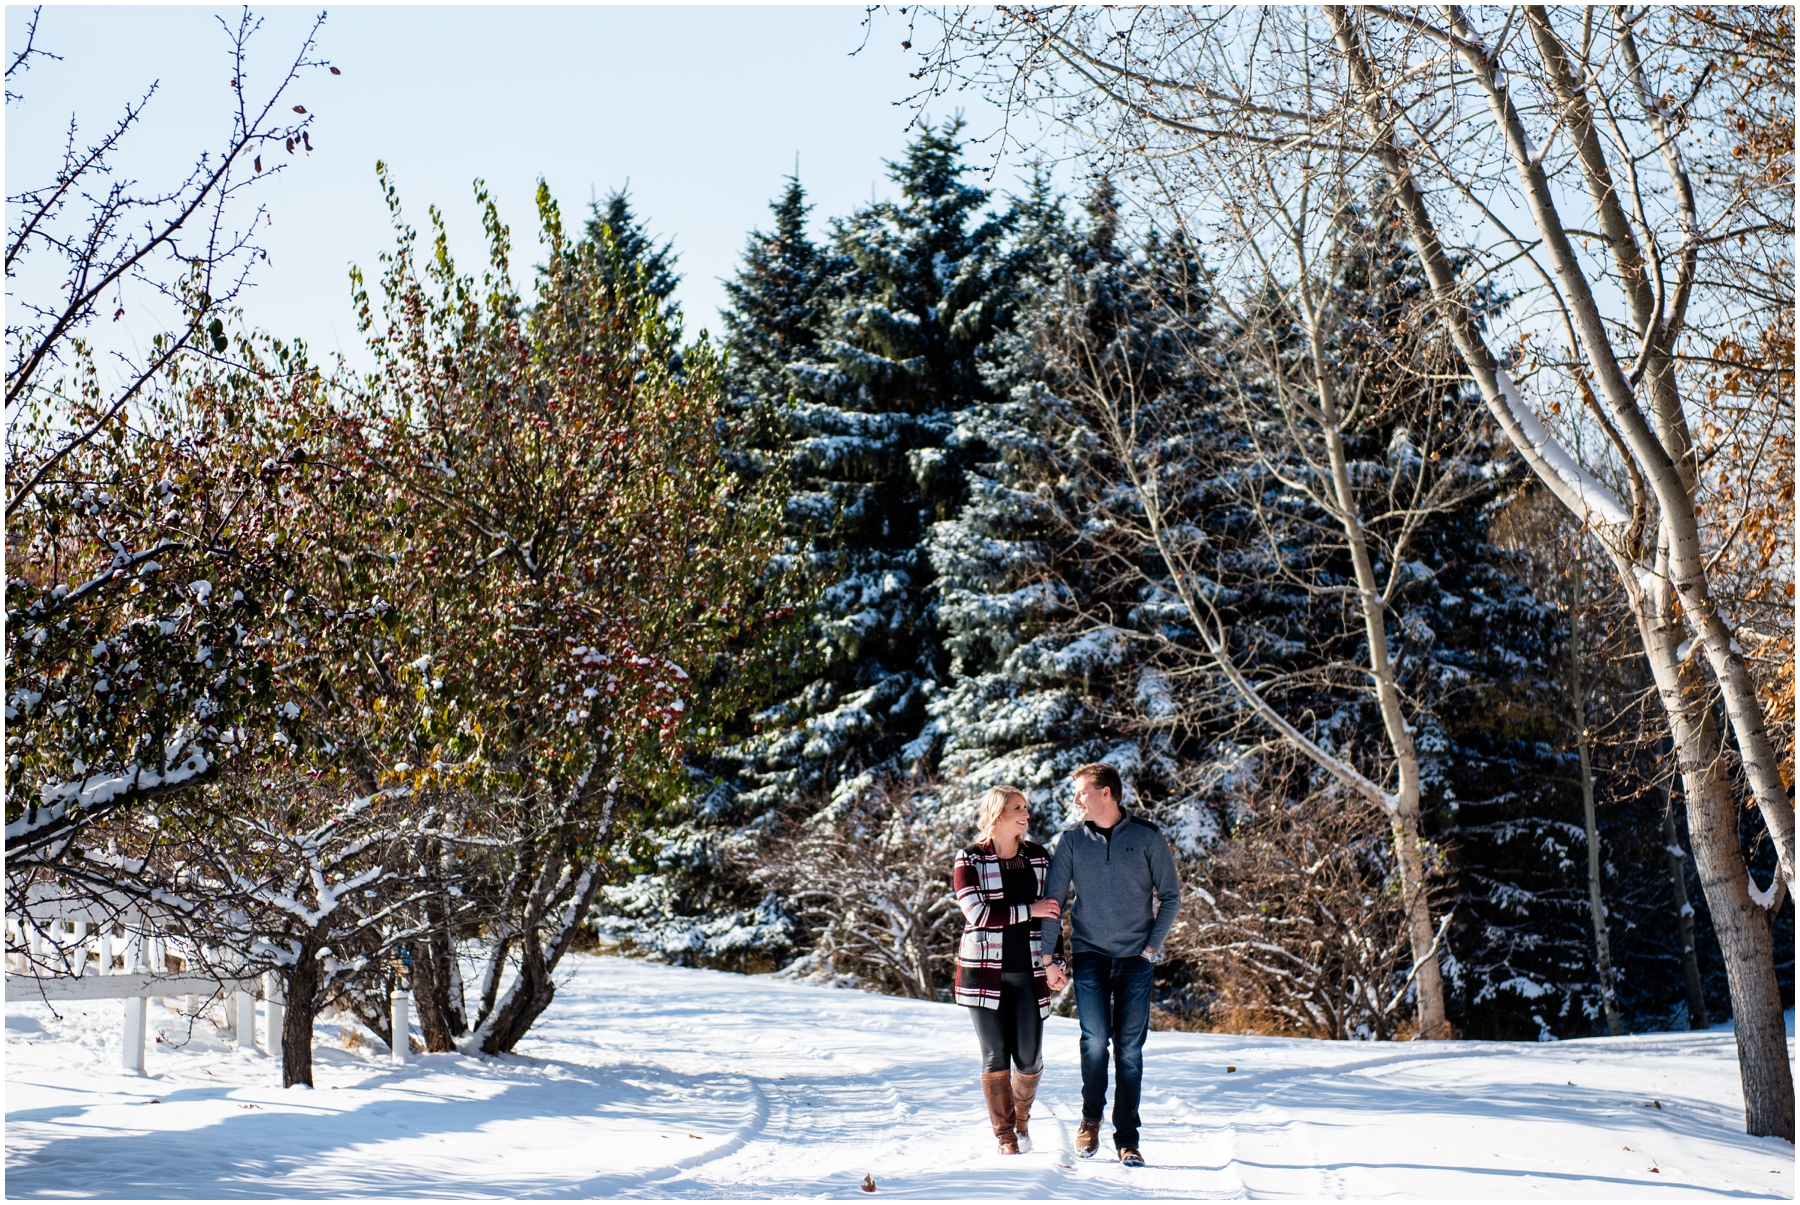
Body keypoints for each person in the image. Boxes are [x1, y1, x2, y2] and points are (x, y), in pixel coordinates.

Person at [1038, 762, 1181, 1168]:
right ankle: (1090, 1119)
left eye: (1082, 791)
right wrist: (1048, 959)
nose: (1076, 799)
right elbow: (1052, 905)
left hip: (1137, 959)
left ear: (1107, 793)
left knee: (1130, 1051)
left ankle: (1128, 1138)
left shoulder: (1148, 837)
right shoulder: (1070, 841)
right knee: (1095, 1039)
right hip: (1090, 955)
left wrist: (1152, 949)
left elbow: (1171, 896)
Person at [951, 785, 1065, 1155]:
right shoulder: (969, 859)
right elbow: (978, 914)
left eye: (1026, 808)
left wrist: (1054, 962)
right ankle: (1005, 1136)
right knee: (994, 1055)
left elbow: (1052, 914)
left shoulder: (1038, 857)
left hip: (1030, 972)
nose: (1027, 815)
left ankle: (1021, 1119)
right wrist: (1028, 910)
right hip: (983, 972)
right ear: (998, 815)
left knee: (1029, 1059)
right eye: (1019, 808)